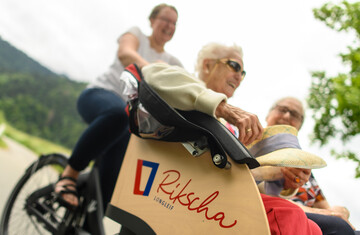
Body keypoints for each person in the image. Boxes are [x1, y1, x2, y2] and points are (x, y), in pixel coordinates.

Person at [142, 42, 322, 234]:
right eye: (235, 66)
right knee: (290, 216)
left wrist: (285, 180)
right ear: (208, 65)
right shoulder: (182, 83)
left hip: (213, 196)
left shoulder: (229, 128)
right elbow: (152, 73)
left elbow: (245, 184)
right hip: (180, 188)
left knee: (312, 228)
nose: (239, 76)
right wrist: (223, 107)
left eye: (243, 73)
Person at [54, 3, 183, 209]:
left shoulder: (173, 62)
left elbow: (182, 90)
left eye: (174, 23)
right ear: (152, 20)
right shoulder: (136, 35)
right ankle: (70, 174)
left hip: (129, 124)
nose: (170, 26)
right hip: (101, 95)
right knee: (118, 114)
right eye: (165, 20)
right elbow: (125, 54)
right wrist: (154, 71)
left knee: (107, 192)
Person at [265, 97, 358, 234]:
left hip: (313, 218)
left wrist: (341, 211)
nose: (286, 116)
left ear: (299, 125)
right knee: (338, 227)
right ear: (269, 114)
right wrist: (329, 215)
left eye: (294, 115)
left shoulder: (304, 167)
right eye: (283, 110)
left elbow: (325, 206)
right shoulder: (253, 147)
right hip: (279, 215)